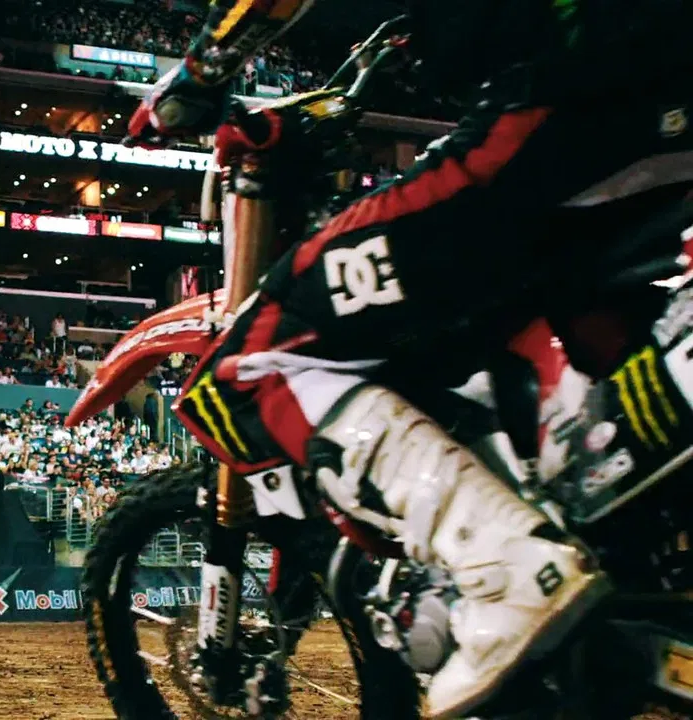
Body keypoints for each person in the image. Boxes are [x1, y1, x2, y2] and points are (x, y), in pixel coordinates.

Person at [127, 2, 693, 718]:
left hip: (564, 115)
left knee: (254, 362)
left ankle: (506, 568)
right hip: (652, 126)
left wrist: (197, 75)